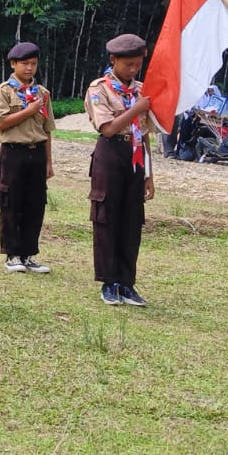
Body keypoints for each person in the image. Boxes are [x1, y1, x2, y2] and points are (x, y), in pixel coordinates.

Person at [85, 34, 156, 307]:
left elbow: (145, 133)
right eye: (128, 64)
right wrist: (137, 108)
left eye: (138, 64)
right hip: (110, 153)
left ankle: (127, 283)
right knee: (107, 218)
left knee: (132, 221)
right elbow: (108, 128)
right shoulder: (99, 89)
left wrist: (149, 174)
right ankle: (109, 282)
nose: (133, 70)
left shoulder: (141, 90)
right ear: (113, 60)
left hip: (135, 155)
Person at [0, 40, 56, 273]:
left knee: (35, 204)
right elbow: (0, 123)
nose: (29, 68)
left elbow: (47, 130)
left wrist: (48, 162)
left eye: (33, 64)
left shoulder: (42, 94)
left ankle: (29, 254)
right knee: (11, 202)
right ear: (13, 64)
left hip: (36, 153)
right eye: (24, 63)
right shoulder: (4, 91)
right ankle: (12, 254)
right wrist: (28, 111)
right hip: (13, 153)